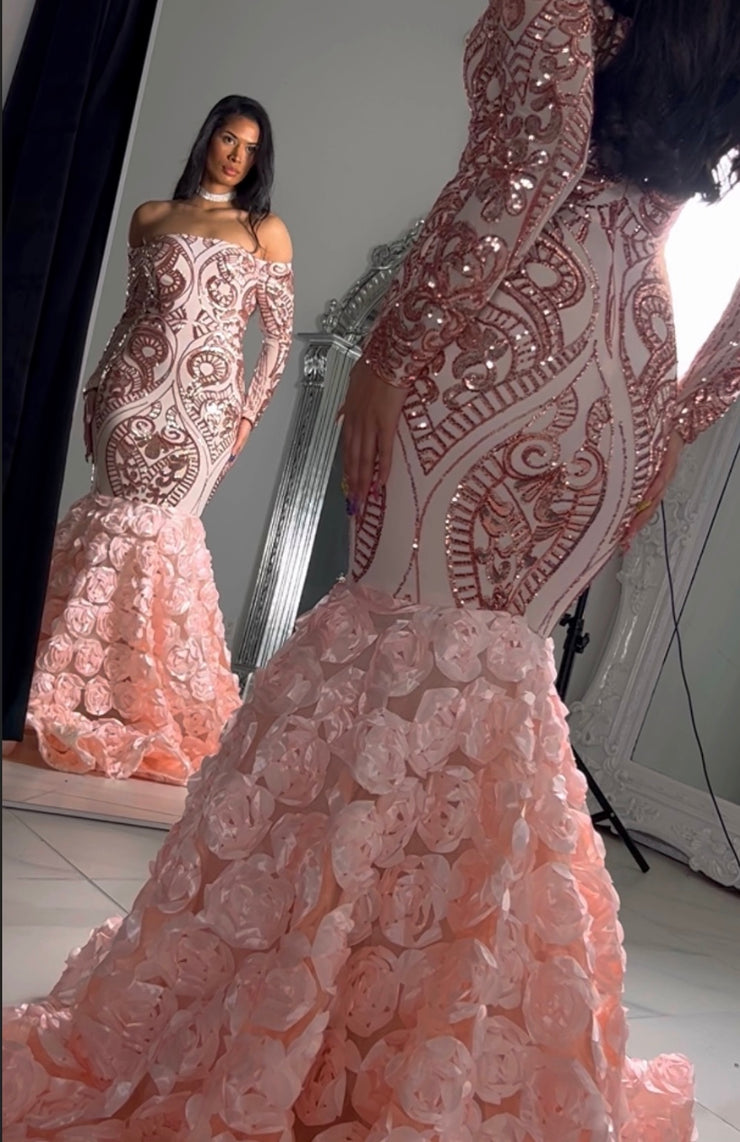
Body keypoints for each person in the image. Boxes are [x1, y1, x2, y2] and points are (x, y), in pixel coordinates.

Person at [3, 1, 739, 1137]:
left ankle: (311, 1004)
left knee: (388, 650)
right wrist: (679, 420)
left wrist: (391, 346)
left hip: (496, 345)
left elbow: (530, 165)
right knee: (497, 679)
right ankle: (432, 1032)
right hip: (630, 367)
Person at [22, 95, 294, 785]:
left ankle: (142, 695)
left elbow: (277, 341)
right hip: (130, 396)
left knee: (165, 540)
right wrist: (96, 391)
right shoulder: (151, 217)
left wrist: (244, 417)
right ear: (208, 139)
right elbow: (130, 317)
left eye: (250, 148)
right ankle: (63, 683)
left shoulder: (265, 233)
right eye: (228, 139)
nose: (235, 156)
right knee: (107, 523)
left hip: (204, 411)